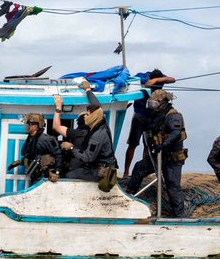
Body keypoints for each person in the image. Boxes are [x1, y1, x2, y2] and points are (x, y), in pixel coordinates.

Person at [123, 89, 188, 217]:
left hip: (172, 158)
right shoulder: (154, 115)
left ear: (163, 103)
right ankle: (128, 197)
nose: (153, 107)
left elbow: (176, 134)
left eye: (155, 104)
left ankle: (180, 216)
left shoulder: (173, 116)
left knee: (172, 186)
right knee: (139, 168)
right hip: (158, 156)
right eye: (151, 104)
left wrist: (163, 145)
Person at [123, 69, 176, 178]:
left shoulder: (160, 78)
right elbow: (147, 84)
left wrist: (158, 80)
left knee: (148, 145)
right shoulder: (143, 79)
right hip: (139, 116)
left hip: (151, 117)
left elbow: (172, 79)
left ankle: (142, 171)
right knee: (133, 144)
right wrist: (152, 82)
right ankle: (126, 172)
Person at [56, 94, 118, 183]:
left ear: (94, 116)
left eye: (88, 114)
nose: (86, 116)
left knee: (69, 175)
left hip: (102, 171)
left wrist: (71, 148)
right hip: (102, 165)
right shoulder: (102, 123)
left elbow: (88, 158)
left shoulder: (97, 136)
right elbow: (98, 107)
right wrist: (88, 91)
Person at [7, 112, 61, 184]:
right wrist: (21, 162)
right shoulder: (31, 138)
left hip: (45, 177)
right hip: (35, 175)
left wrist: (57, 172)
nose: (25, 126)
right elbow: (34, 155)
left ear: (35, 126)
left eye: (28, 125)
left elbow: (58, 155)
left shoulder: (46, 139)